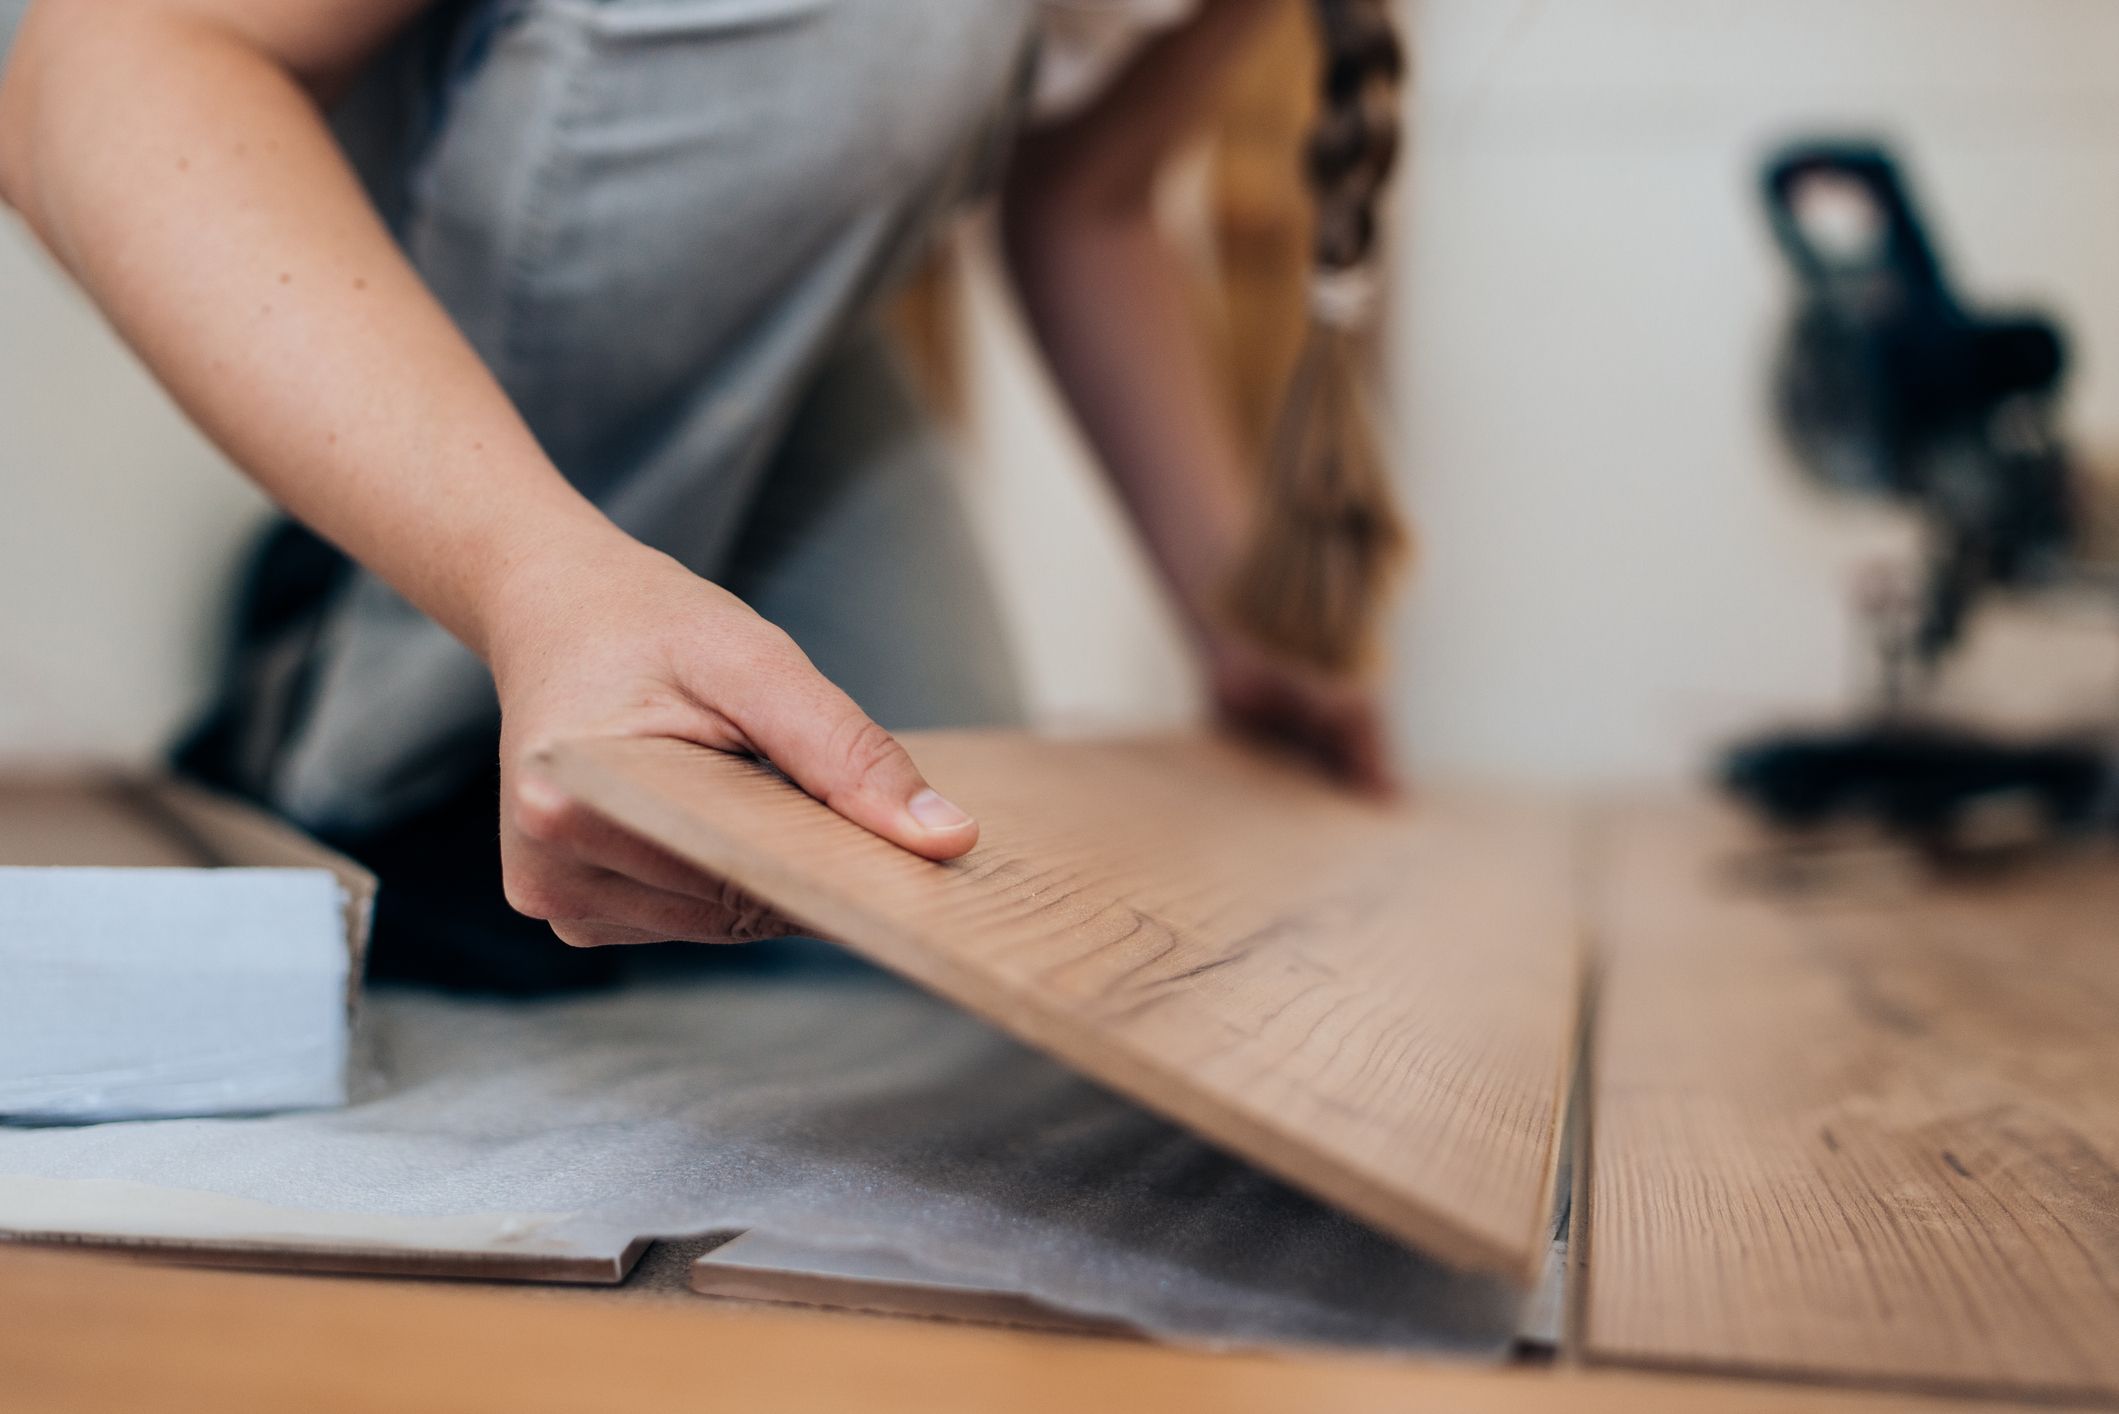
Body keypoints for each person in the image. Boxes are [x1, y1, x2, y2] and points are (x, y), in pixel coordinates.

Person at [0, 0, 1399, 989]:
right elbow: (99, 53)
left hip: (709, 239)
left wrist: (1237, 619)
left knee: (896, 943)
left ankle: (506, 649)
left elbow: (1086, 195)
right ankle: (362, 715)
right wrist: (528, 571)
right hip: (292, 168)